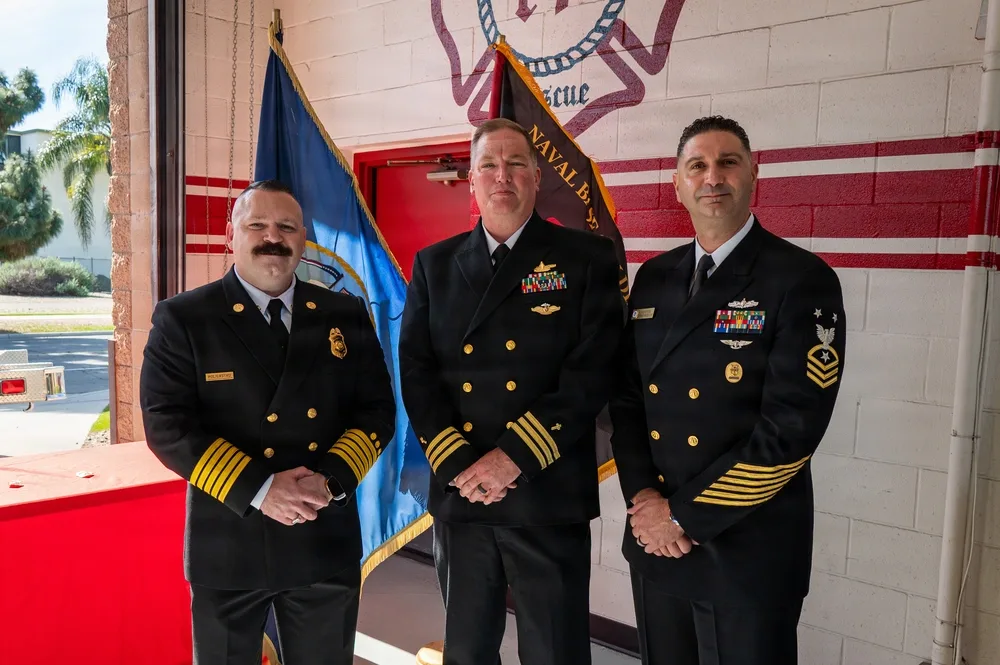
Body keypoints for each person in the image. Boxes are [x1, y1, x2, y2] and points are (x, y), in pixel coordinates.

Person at [608, 116, 846, 665]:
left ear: (754, 173)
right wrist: (645, 500)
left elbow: (790, 432)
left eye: (727, 162)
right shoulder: (656, 277)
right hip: (657, 545)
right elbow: (627, 401)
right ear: (678, 183)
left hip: (746, 548)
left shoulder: (800, 278)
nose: (712, 177)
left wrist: (682, 517)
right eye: (697, 165)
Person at [139, 179, 395, 665]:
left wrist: (332, 482)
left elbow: (376, 410)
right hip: (230, 542)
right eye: (256, 224)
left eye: (286, 227)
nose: (271, 236)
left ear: (302, 239)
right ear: (230, 237)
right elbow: (166, 424)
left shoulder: (344, 314)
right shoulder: (185, 318)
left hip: (322, 534)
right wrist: (261, 489)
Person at [398, 117, 625, 665]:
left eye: (516, 163)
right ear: (472, 180)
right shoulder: (435, 264)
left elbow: (592, 372)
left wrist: (514, 459)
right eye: (490, 165)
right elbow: (417, 369)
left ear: (536, 175)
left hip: (545, 491)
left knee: (555, 650)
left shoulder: (585, 259)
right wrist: (458, 462)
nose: (503, 175)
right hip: (464, 487)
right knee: (468, 648)